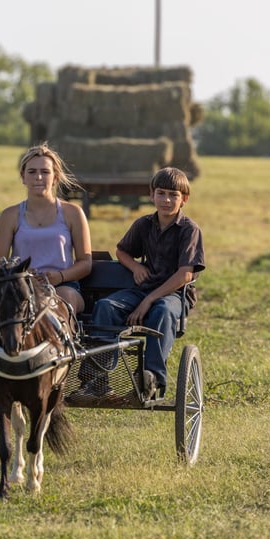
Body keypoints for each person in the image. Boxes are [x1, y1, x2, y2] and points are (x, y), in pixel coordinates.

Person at [86, 166, 205, 399]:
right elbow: (121, 251)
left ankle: (151, 379)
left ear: (184, 199)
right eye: (161, 193)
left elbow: (185, 276)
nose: (167, 200)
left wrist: (149, 300)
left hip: (174, 294)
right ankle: (97, 380)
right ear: (151, 195)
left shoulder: (189, 230)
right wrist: (136, 266)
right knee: (105, 307)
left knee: (161, 310)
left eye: (174, 195)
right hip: (143, 289)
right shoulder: (144, 224)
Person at [0, 142, 92, 315]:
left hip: (64, 286)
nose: (38, 177)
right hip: (21, 285)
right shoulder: (10, 215)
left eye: (45, 172)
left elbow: (85, 262)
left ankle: (62, 341)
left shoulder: (73, 213)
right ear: (23, 177)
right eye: (32, 172)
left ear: (55, 177)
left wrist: (59, 277)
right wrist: (21, 274)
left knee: (62, 300)